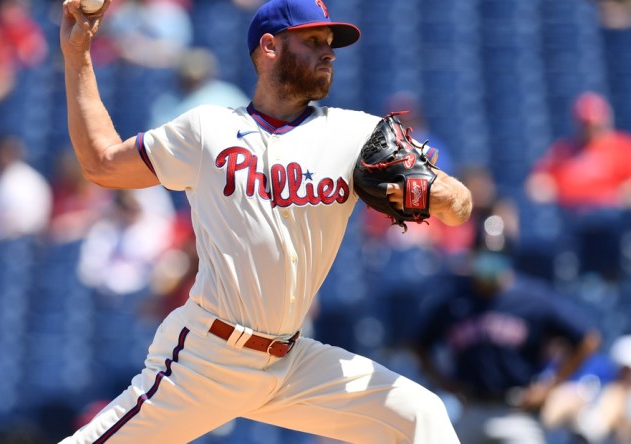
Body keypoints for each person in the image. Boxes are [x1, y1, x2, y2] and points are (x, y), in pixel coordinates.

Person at [59, 0, 473, 442]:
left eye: (331, 43)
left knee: (420, 415)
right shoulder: (206, 130)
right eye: (313, 41)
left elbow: (460, 201)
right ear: (270, 46)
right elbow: (102, 164)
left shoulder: (356, 134)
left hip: (292, 360)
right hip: (209, 360)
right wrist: (77, 54)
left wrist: (444, 196)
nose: (329, 52)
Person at [412, 248, 602, 443]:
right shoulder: (455, 299)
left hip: (516, 412)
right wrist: (443, 382)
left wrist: (549, 385)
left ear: (508, 257)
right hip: (471, 408)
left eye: (497, 255)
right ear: (473, 256)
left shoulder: (532, 298)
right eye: (484, 252)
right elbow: (418, 344)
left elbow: (587, 339)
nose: (490, 261)